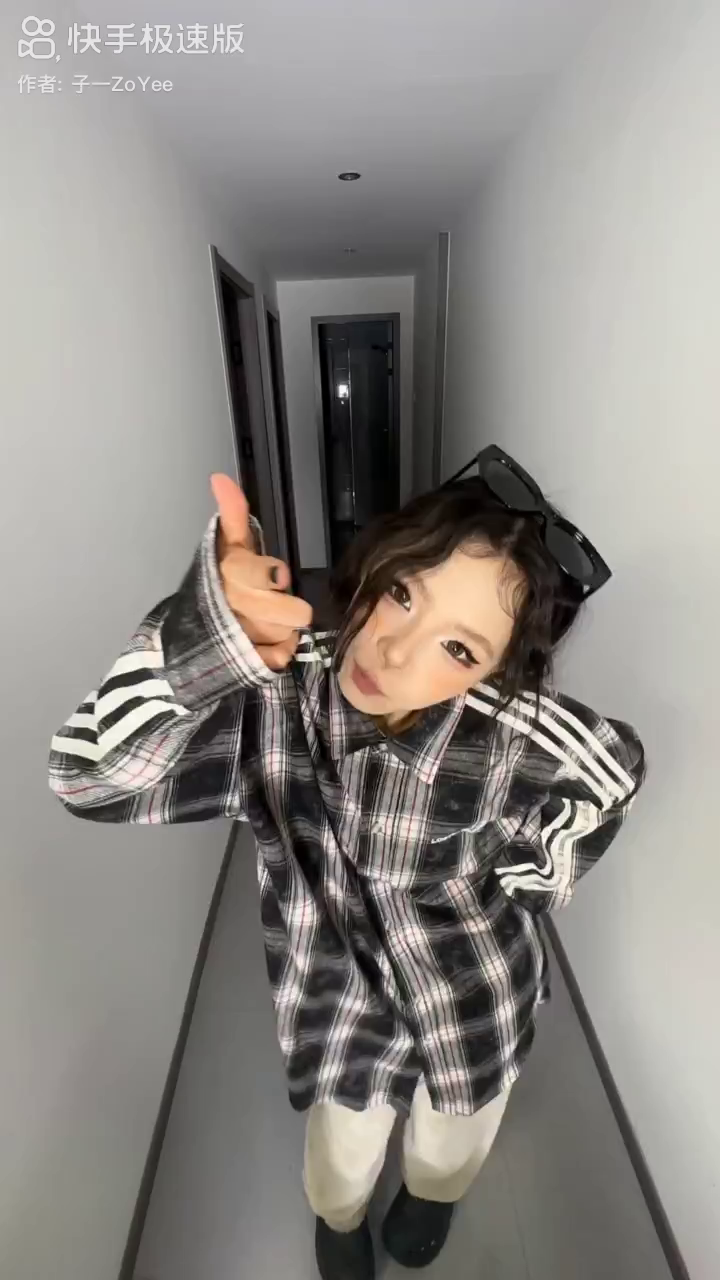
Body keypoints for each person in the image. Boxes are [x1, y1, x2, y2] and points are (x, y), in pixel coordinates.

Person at [49, 445, 644, 1280]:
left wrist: (536, 876)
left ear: (498, 674)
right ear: (378, 560)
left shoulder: (516, 731)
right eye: (402, 592)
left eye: (459, 649)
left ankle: (432, 1199)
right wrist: (203, 644)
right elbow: (87, 780)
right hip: (342, 1011)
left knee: (455, 1132)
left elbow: (612, 771)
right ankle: (340, 1222)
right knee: (341, 1150)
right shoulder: (278, 697)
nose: (393, 651)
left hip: (473, 999)